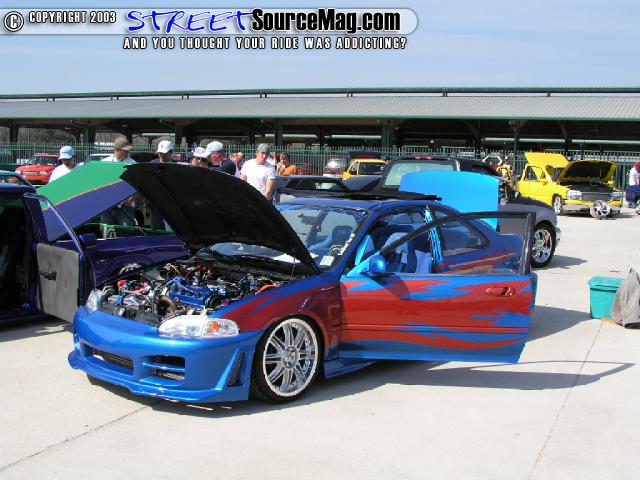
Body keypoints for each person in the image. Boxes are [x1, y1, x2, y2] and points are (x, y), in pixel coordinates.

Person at [100, 137, 136, 226]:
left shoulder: (132, 163)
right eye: (125, 150)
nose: (127, 152)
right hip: (107, 206)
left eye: (128, 150)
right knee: (107, 231)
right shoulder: (104, 163)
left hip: (126, 206)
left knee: (125, 231)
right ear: (117, 149)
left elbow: (137, 184)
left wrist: (131, 198)